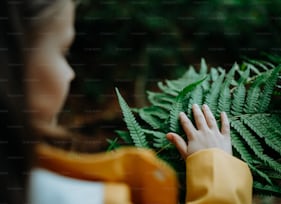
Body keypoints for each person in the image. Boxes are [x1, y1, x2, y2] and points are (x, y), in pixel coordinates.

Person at [0, 0, 253, 203]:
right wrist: (216, 170)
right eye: (63, 51)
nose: (71, 73)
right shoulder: (84, 196)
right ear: (12, 62)